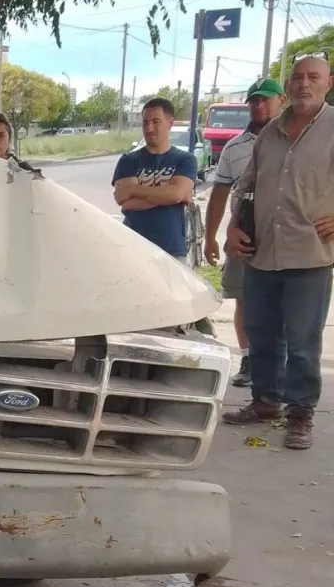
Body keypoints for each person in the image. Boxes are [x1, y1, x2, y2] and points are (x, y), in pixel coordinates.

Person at [223, 53, 334, 450]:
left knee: (303, 342)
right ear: (288, 85)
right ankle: (266, 401)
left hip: (310, 253)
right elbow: (246, 187)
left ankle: (300, 413)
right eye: (297, 77)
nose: (304, 84)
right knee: (262, 333)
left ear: (329, 82)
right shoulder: (270, 132)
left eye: (313, 77)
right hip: (261, 251)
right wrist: (233, 227)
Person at [204, 78, 287, 387]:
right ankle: (249, 359)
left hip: (286, 236)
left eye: (266, 99)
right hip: (245, 235)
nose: (260, 105)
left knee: (284, 301)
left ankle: (281, 362)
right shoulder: (235, 147)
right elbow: (219, 192)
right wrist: (211, 236)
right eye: (254, 100)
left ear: (282, 100)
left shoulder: (297, 141)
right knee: (244, 298)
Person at [111, 98, 198, 261]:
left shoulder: (185, 159)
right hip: (132, 248)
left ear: (170, 122)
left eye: (156, 121)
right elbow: (125, 202)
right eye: (145, 122)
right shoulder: (129, 160)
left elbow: (176, 194)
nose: (149, 128)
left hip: (172, 250)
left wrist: (134, 189)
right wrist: (170, 196)